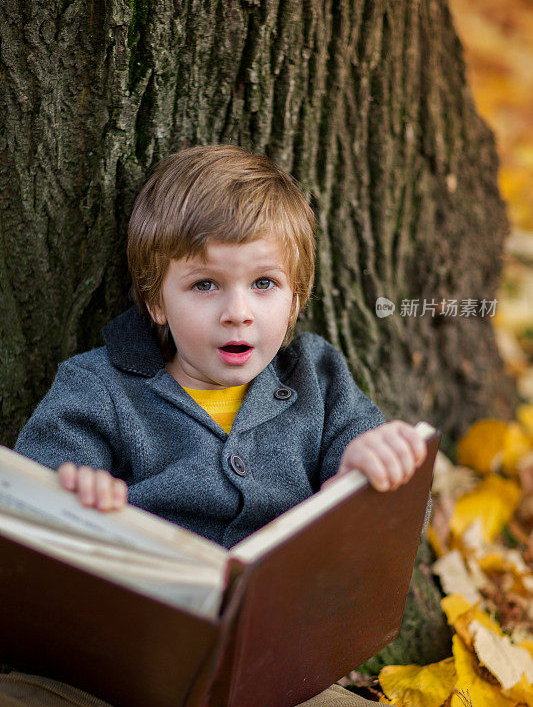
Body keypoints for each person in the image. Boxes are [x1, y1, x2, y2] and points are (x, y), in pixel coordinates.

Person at [5, 145, 427, 707]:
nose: (238, 311)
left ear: (296, 297)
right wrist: (76, 493)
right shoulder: (98, 385)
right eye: (205, 285)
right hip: (112, 673)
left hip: (275, 679)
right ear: (157, 299)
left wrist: (371, 472)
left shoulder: (319, 379)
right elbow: (28, 507)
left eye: (264, 284)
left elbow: (391, 521)